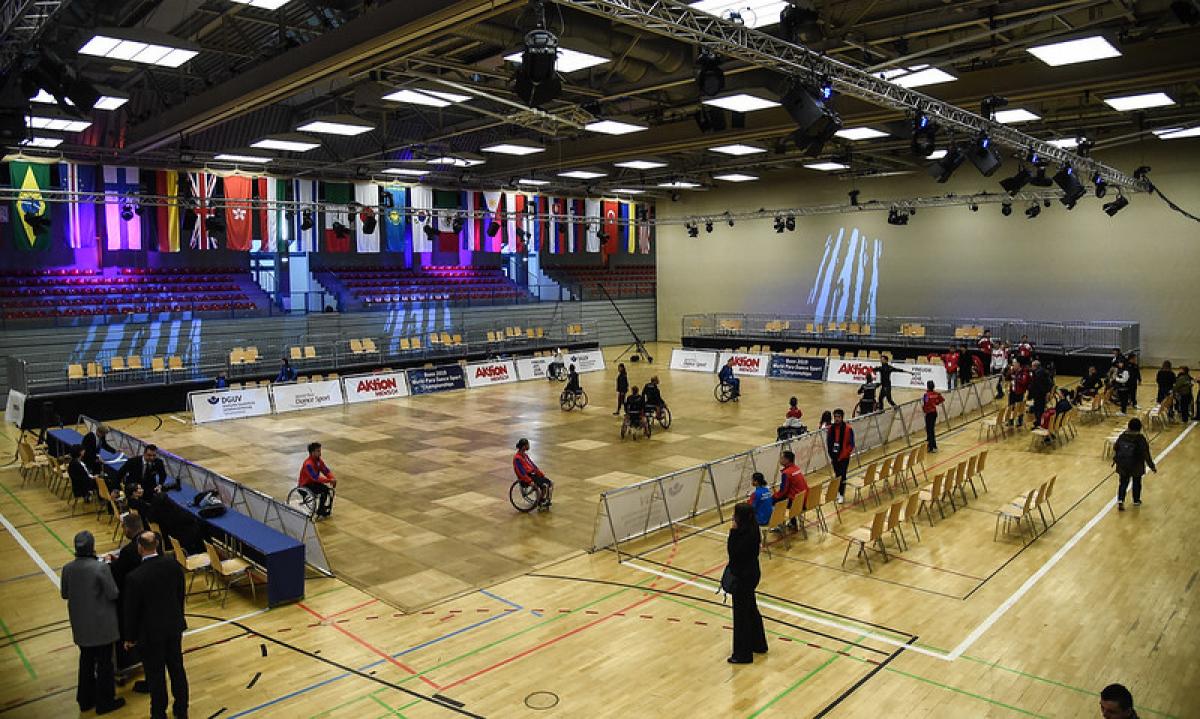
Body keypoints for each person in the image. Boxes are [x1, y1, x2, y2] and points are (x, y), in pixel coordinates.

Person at [123, 531, 188, 719]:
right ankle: (181, 710)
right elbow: (180, 595)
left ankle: (159, 713)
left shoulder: (135, 577)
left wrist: (129, 637)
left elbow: (131, 611)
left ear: (139, 548)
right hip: (173, 627)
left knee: (156, 676)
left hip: (150, 635)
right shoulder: (173, 565)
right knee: (177, 670)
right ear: (158, 545)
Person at [62, 530, 125, 715]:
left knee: (86, 661)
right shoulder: (100, 568)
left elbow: (65, 593)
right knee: (105, 663)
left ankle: (85, 699)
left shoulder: (67, 569)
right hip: (102, 625)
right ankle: (105, 702)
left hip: (81, 625)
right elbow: (113, 593)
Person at [107, 514, 148, 688]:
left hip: (131, 600)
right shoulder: (152, 541)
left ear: (129, 529)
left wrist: (113, 565)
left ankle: (128, 661)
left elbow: (118, 574)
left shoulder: (129, 551)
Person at [726, 503, 767, 664]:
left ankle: (742, 654)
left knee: (741, 615)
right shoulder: (753, 528)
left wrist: (733, 532)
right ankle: (758, 643)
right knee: (751, 609)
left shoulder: (741, 534)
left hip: (743, 576)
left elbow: (733, 553)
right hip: (753, 573)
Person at [1112, 418, 1156, 511]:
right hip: (1136, 464)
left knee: (1123, 483)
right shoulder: (1140, 439)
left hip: (1123, 464)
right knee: (1136, 482)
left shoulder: (1123, 436)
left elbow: (1116, 447)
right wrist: (1151, 466)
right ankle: (1136, 500)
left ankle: (1120, 500)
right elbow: (1146, 454)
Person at [298, 442, 336, 518]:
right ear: (312, 452)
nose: (320, 453)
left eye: (320, 451)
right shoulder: (308, 464)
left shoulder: (318, 461)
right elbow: (315, 477)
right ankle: (320, 511)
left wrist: (332, 478)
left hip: (313, 483)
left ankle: (323, 509)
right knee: (323, 491)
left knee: (328, 490)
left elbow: (325, 470)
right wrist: (329, 480)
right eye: (318, 451)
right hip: (305, 485)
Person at [513, 438, 553, 508]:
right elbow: (521, 472)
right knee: (544, 485)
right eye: (527, 444)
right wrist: (529, 481)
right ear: (523, 447)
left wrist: (540, 473)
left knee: (550, 483)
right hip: (526, 478)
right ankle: (541, 501)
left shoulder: (525, 456)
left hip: (532, 475)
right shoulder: (517, 458)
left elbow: (533, 466)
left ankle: (545, 500)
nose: (529, 446)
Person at [773, 450, 808, 531]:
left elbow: (783, 491)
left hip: (797, 502)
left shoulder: (787, 473)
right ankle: (792, 523)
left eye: (782, 458)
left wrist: (773, 497)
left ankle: (779, 524)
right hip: (804, 499)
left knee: (776, 502)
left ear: (787, 460)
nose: (780, 459)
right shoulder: (797, 468)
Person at [827, 409, 855, 503]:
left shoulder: (848, 429)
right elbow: (829, 443)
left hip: (844, 457)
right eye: (835, 417)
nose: (836, 419)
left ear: (842, 417)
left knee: (842, 476)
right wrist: (832, 455)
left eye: (838, 417)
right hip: (834, 457)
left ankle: (841, 494)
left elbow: (851, 444)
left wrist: (845, 453)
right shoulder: (831, 429)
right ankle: (838, 492)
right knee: (837, 475)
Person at [921, 381, 944, 452]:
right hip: (934, 413)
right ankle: (931, 446)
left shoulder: (926, 395)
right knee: (931, 429)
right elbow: (942, 399)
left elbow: (925, 404)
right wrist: (936, 403)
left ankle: (932, 447)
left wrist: (924, 410)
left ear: (927, 386)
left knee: (929, 430)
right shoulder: (936, 394)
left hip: (929, 413)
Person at [1029, 360, 1053, 428]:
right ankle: (1039, 422)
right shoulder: (1044, 371)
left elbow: (1037, 385)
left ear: (1035, 366)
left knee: (1038, 410)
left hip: (1039, 395)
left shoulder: (1038, 374)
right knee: (1041, 409)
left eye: (1032, 366)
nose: (1031, 367)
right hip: (1043, 394)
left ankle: (1039, 423)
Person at [1009, 361, 1032, 427]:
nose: (1013, 366)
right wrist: (1010, 373)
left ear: (1018, 365)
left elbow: (1024, 382)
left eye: (1014, 365)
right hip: (1012, 392)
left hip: (1019, 393)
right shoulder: (1013, 372)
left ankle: (1020, 421)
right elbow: (1007, 377)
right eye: (1013, 365)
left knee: (1020, 407)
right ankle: (1011, 421)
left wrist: (1016, 378)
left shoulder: (1024, 373)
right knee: (1011, 407)